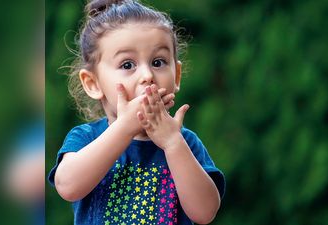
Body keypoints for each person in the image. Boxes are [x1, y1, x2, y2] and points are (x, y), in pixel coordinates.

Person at [48, 0, 225, 224]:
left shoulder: (184, 142)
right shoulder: (86, 138)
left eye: (158, 62)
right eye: (127, 65)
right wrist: (125, 127)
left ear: (176, 75)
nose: (147, 75)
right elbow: (68, 187)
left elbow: (205, 212)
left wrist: (172, 143)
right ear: (93, 84)